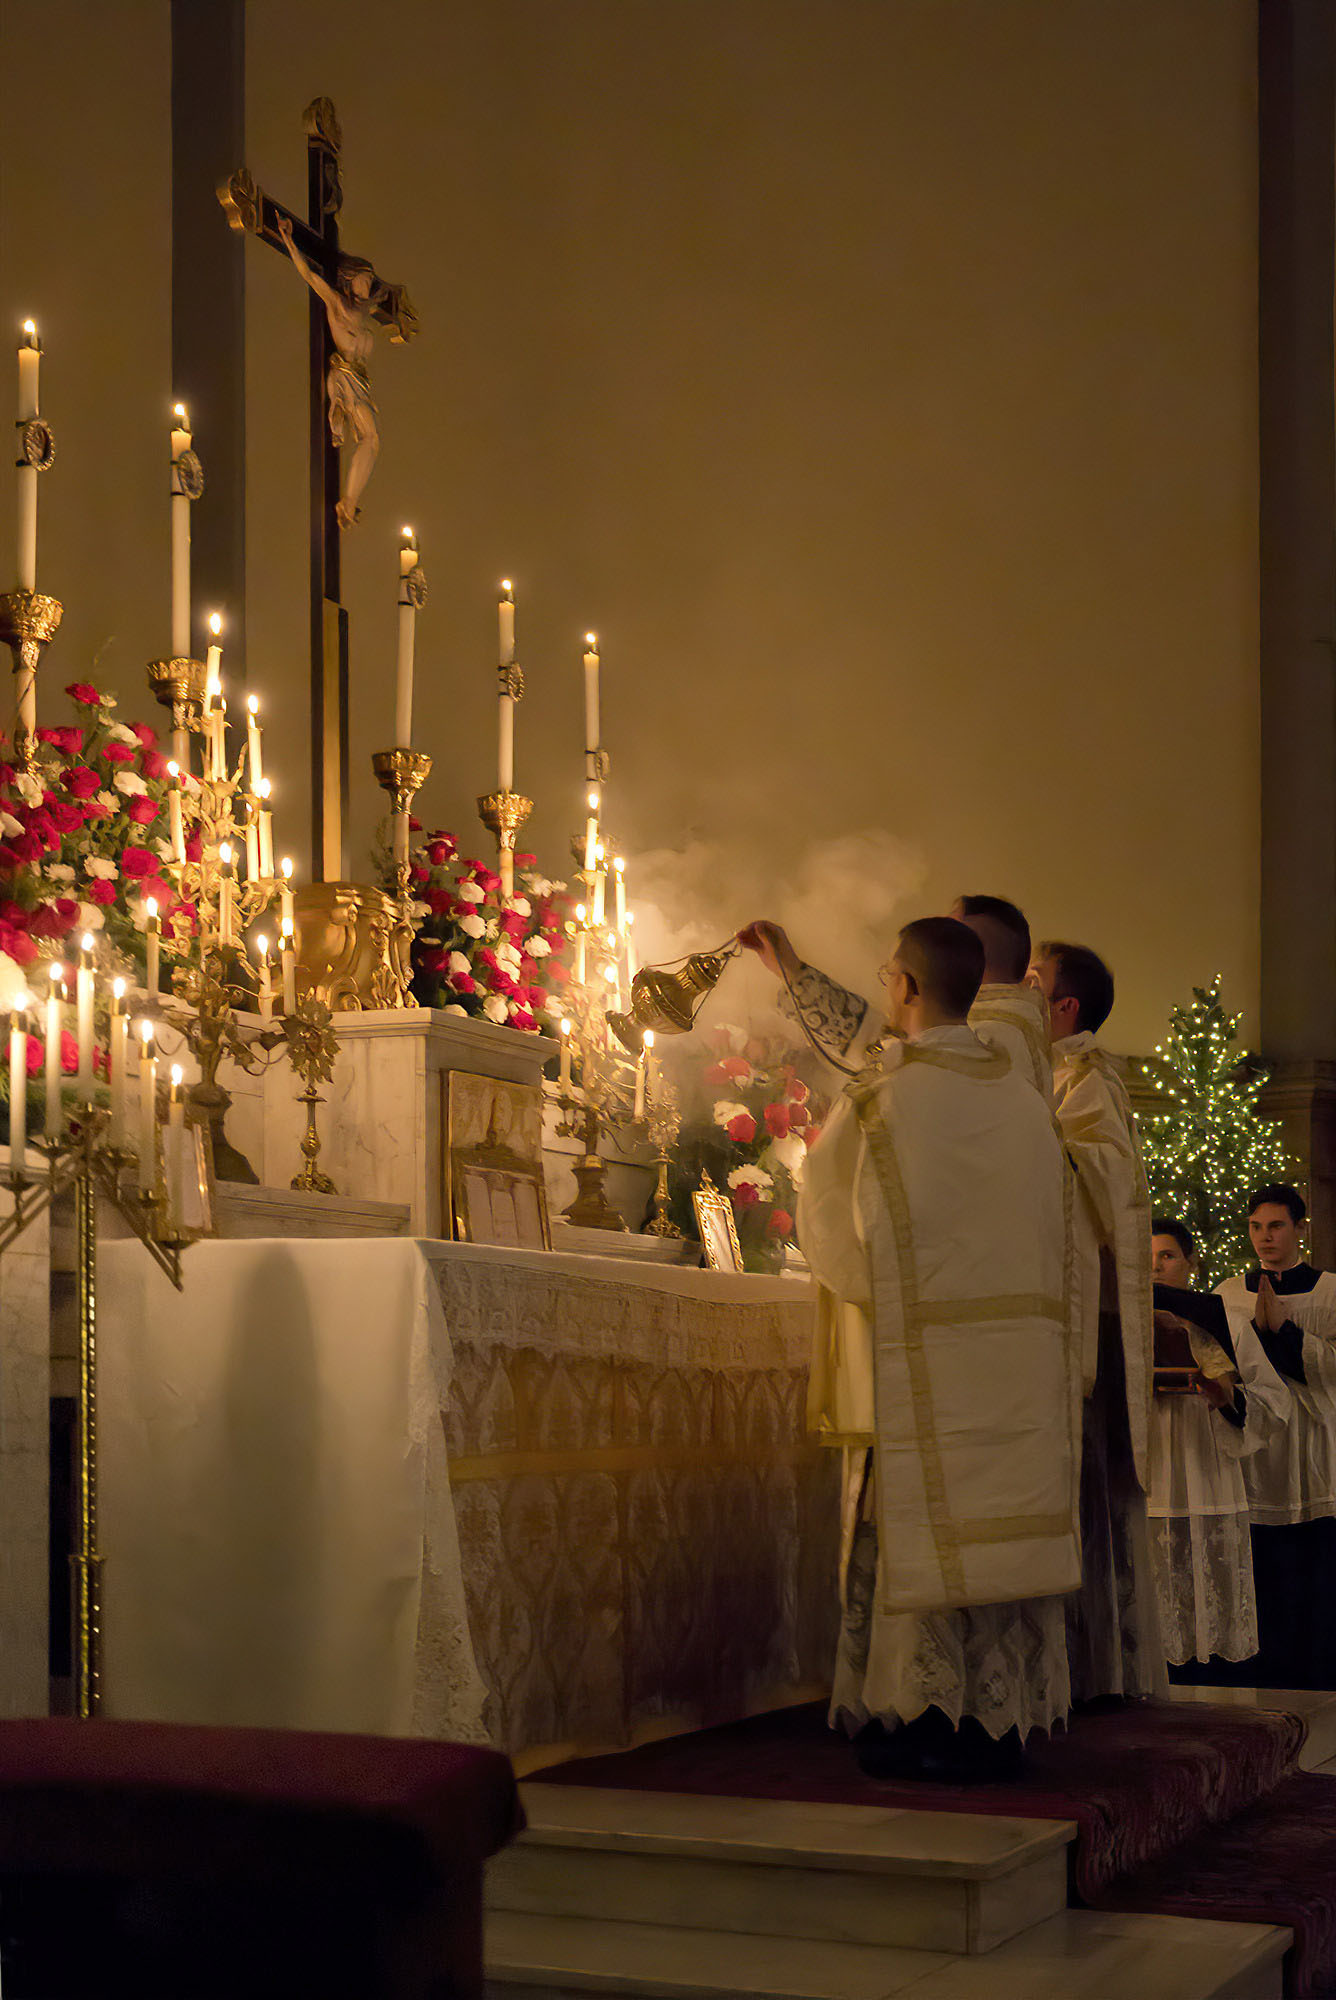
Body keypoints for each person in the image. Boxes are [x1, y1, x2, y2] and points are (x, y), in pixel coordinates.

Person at [799, 916, 1080, 1782]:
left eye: (890, 973)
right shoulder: (1026, 1101)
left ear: (908, 987)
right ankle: (997, 1716)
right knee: (998, 1528)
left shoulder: (884, 1100)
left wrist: (889, 1306)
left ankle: (921, 1715)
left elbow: (832, 1227)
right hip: (1020, 1362)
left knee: (922, 1526)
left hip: (927, 1360)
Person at [1030, 940, 1166, 1702]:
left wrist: (1033, 1138)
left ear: (1064, 1006)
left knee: (1088, 1502)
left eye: (1032, 980)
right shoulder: (1045, 1073)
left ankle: (1095, 1671)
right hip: (1054, 1318)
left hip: (1086, 1327)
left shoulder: (1085, 1080)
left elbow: (1108, 1182)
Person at [1146, 1217, 1290, 1675]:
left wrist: (1224, 1394)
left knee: (1208, 1598)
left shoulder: (1226, 1320)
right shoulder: (1122, 1325)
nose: (1156, 1268)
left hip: (1204, 1464)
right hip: (1149, 1468)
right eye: (1147, 1259)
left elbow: (1272, 1400)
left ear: (1190, 1262)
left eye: (1167, 1256)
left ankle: (1215, 1681)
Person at [738, 892, 1050, 1095]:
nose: (931, 937)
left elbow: (891, 1062)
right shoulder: (993, 1025)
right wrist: (792, 971)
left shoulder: (997, 1036)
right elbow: (881, 1044)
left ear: (970, 952)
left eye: (946, 931)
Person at [1215, 1184, 1336, 1687]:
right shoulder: (1228, 1293)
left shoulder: (1330, 1291)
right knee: (1262, 1567)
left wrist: (1285, 1332)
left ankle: (1317, 1675)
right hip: (1256, 1452)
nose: (1265, 1237)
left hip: (1314, 1447)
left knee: (1315, 1568)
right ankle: (1263, 1675)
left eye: (1276, 1226)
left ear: (1300, 1228)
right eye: (1256, 1227)